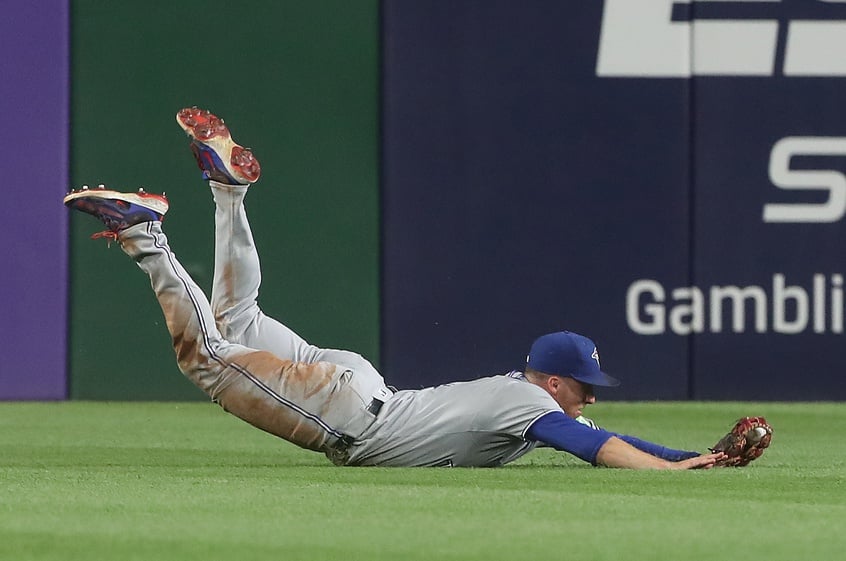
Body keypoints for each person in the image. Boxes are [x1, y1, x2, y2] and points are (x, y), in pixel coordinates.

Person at [64, 107, 726, 470]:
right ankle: (144, 234)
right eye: (584, 386)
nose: (589, 397)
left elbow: (613, 437)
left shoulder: (531, 403)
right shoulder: (532, 406)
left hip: (363, 387)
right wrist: (668, 474)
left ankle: (227, 192)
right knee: (206, 357)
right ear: (553, 381)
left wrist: (702, 457)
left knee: (237, 316)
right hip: (352, 415)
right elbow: (598, 447)